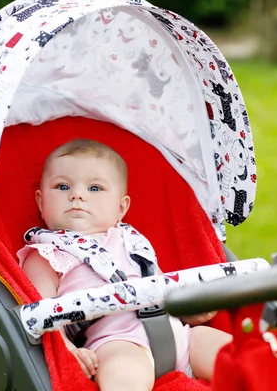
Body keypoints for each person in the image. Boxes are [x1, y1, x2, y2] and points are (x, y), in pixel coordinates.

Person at [19, 139, 232, 391]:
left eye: (95, 188)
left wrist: (187, 310)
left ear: (121, 208)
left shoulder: (130, 240)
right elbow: (41, 310)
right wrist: (65, 347)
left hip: (181, 337)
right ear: (41, 203)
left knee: (240, 355)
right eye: (62, 186)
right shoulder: (46, 253)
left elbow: (159, 285)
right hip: (116, 342)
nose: (77, 195)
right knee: (124, 377)